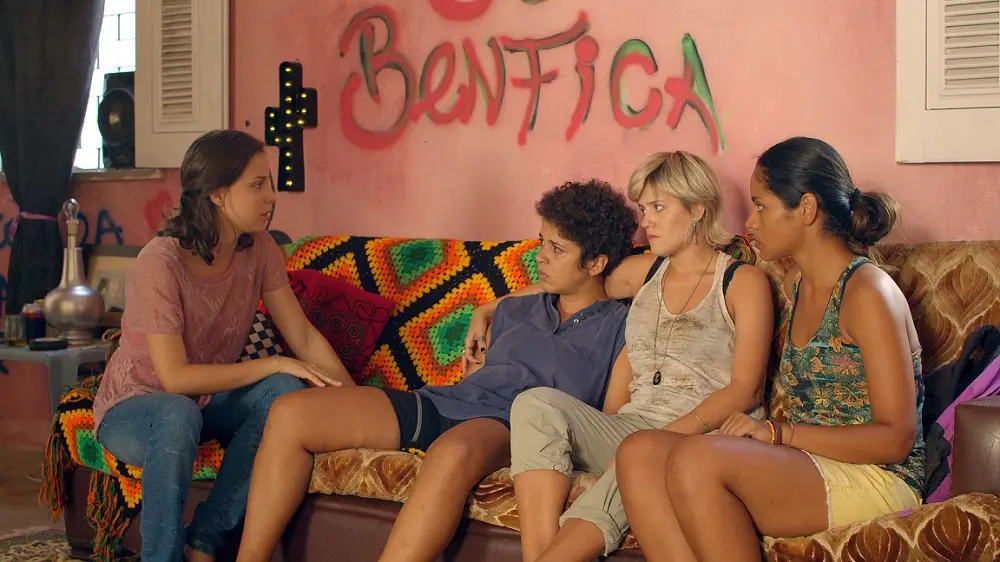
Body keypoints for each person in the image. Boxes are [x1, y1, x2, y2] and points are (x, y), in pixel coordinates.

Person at [234, 179, 640, 562]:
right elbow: (479, 376)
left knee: (451, 451)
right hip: (447, 401)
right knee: (291, 413)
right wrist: (484, 319)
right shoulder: (514, 308)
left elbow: (605, 424)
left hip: (510, 426)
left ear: (596, 262)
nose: (540, 256)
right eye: (541, 242)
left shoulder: (622, 329)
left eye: (557, 248)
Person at [615, 137, 924, 562]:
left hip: (878, 476)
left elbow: (896, 439)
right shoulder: (797, 282)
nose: (750, 222)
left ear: (807, 209)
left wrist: (779, 434)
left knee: (697, 460)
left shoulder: (867, 292)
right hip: (808, 460)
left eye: (761, 206)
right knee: (639, 451)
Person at [472, 152, 775, 562]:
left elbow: (745, 389)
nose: (647, 222)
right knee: (535, 405)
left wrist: (666, 437)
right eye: (643, 209)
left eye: (658, 207)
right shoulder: (643, 272)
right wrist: (489, 307)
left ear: (697, 209)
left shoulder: (742, 281)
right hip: (633, 426)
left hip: (704, 437)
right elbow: (573, 278)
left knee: (637, 457)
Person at [92, 130, 352, 562]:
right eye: (257, 185)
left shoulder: (261, 249)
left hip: (204, 403)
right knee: (177, 410)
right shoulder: (159, 263)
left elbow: (303, 337)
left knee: (285, 393)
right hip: (135, 410)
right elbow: (175, 379)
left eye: (270, 183)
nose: (272, 196)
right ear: (216, 194)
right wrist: (274, 363)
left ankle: (205, 543)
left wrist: (356, 400)